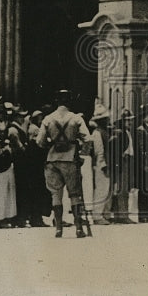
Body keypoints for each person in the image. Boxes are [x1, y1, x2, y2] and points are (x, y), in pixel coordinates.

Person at [36, 90, 92, 238]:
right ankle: (79, 228)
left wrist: (50, 144)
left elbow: (39, 141)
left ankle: (58, 229)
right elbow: (88, 139)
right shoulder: (76, 118)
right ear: (69, 101)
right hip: (70, 158)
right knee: (74, 194)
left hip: (52, 159)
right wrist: (82, 155)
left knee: (56, 194)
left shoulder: (48, 119)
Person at [107, 109, 135, 224]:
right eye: (127, 121)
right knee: (122, 190)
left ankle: (121, 214)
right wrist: (119, 158)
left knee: (124, 189)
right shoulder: (120, 133)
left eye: (131, 121)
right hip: (122, 162)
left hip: (127, 161)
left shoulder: (126, 132)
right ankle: (122, 215)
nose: (130, 123)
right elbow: (114, 148)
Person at [89, 103, 112, 225]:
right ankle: (97, 215)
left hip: (105, 163)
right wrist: (103, 165)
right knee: (100, 190)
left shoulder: (104, 132)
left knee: (106, 190)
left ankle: (103, 213)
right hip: (100, 165)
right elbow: (99, 151)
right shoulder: (98, 133)